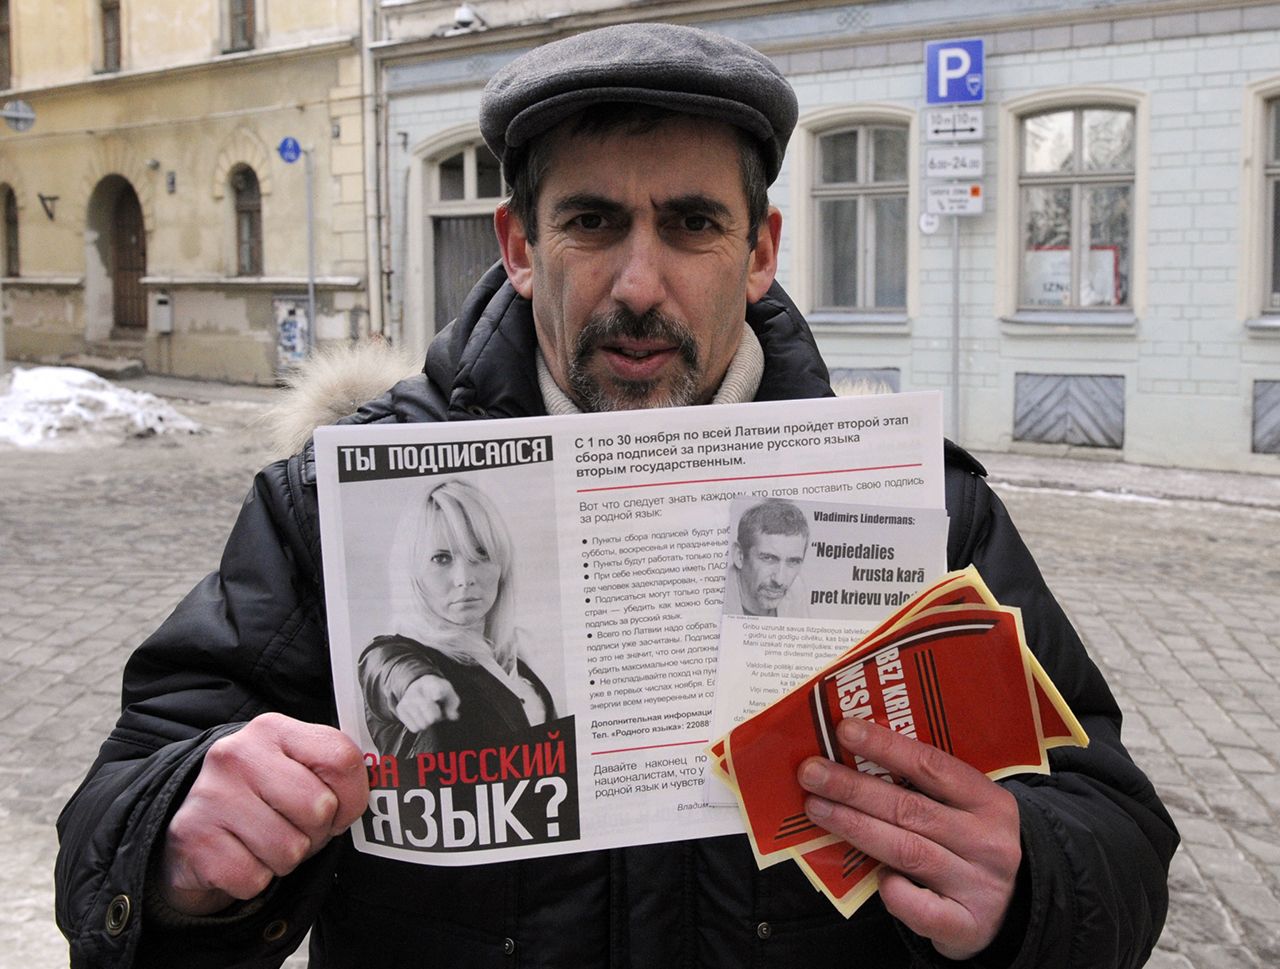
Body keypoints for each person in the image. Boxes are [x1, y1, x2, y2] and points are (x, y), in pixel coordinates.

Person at [55, 21, 1177, 969]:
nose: (640, 284)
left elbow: (1112, 829)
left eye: (692, 223)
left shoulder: (917, 506)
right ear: (519, 246)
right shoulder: (334, 505)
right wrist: (177, 846)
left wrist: (1029, 881)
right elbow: (116, 825)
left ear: (759, 251)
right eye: (592, 222)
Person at [358, 479, 556, 763]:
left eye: (480, 553)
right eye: (441, 558)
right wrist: (416, 683)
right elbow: (385, 666)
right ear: (413, 572)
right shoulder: (399, 654)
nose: (464, 579)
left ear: (501, 564)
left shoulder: (514, 662)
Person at [725, 498, 810, 617]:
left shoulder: (796, 590)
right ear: (739, 556)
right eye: (768, 558)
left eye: (793, 562)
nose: (780, 581)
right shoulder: (717, 599)